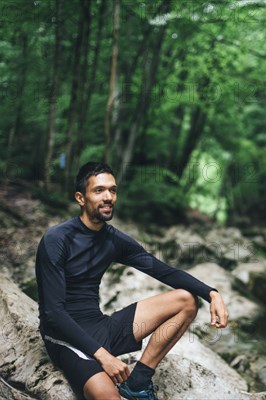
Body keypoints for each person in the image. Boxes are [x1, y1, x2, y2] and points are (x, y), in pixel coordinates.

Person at [35, 162, 229, 400]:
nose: (108, 197)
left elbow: (164, 271)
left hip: (102, 328)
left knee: (186, 301)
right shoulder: (57, 239)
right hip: (66, 339)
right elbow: (53, 313)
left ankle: (138, 382)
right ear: (81, 198)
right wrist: (103, 356)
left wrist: (211, 293)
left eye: (113, 190)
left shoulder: (114, 240)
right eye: (99, 190)